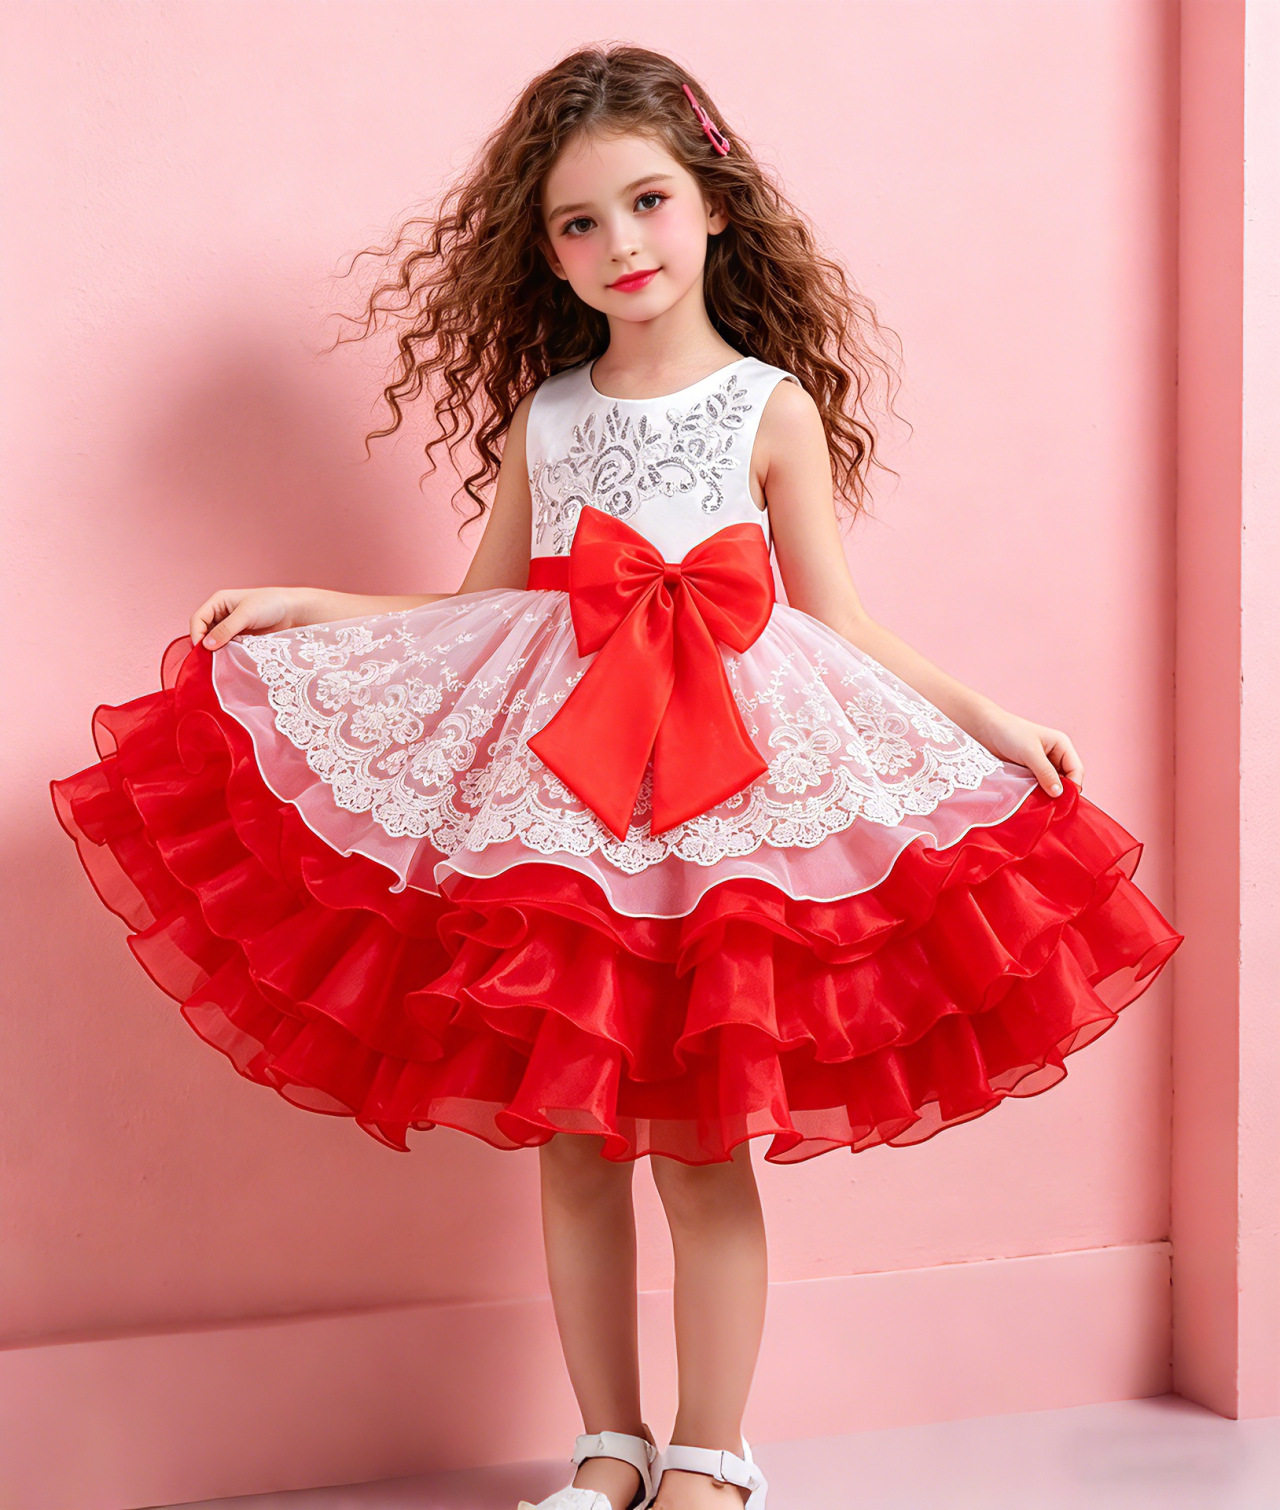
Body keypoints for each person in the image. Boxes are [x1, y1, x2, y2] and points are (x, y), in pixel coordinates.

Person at [48, 44, 1184, 1510]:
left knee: (702, 1151)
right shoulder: (553, 413)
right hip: (566, 802)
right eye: (579, 223)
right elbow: (485, 604)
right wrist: (311, 607)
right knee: (577, 1148)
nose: (620, 243)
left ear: (714, 204)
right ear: (546, 252)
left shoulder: (767, 406)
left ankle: (713, 1456)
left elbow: (838, 617)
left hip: (723, 802)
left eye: (646, 202)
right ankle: (609, 1446)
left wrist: (990, 719)